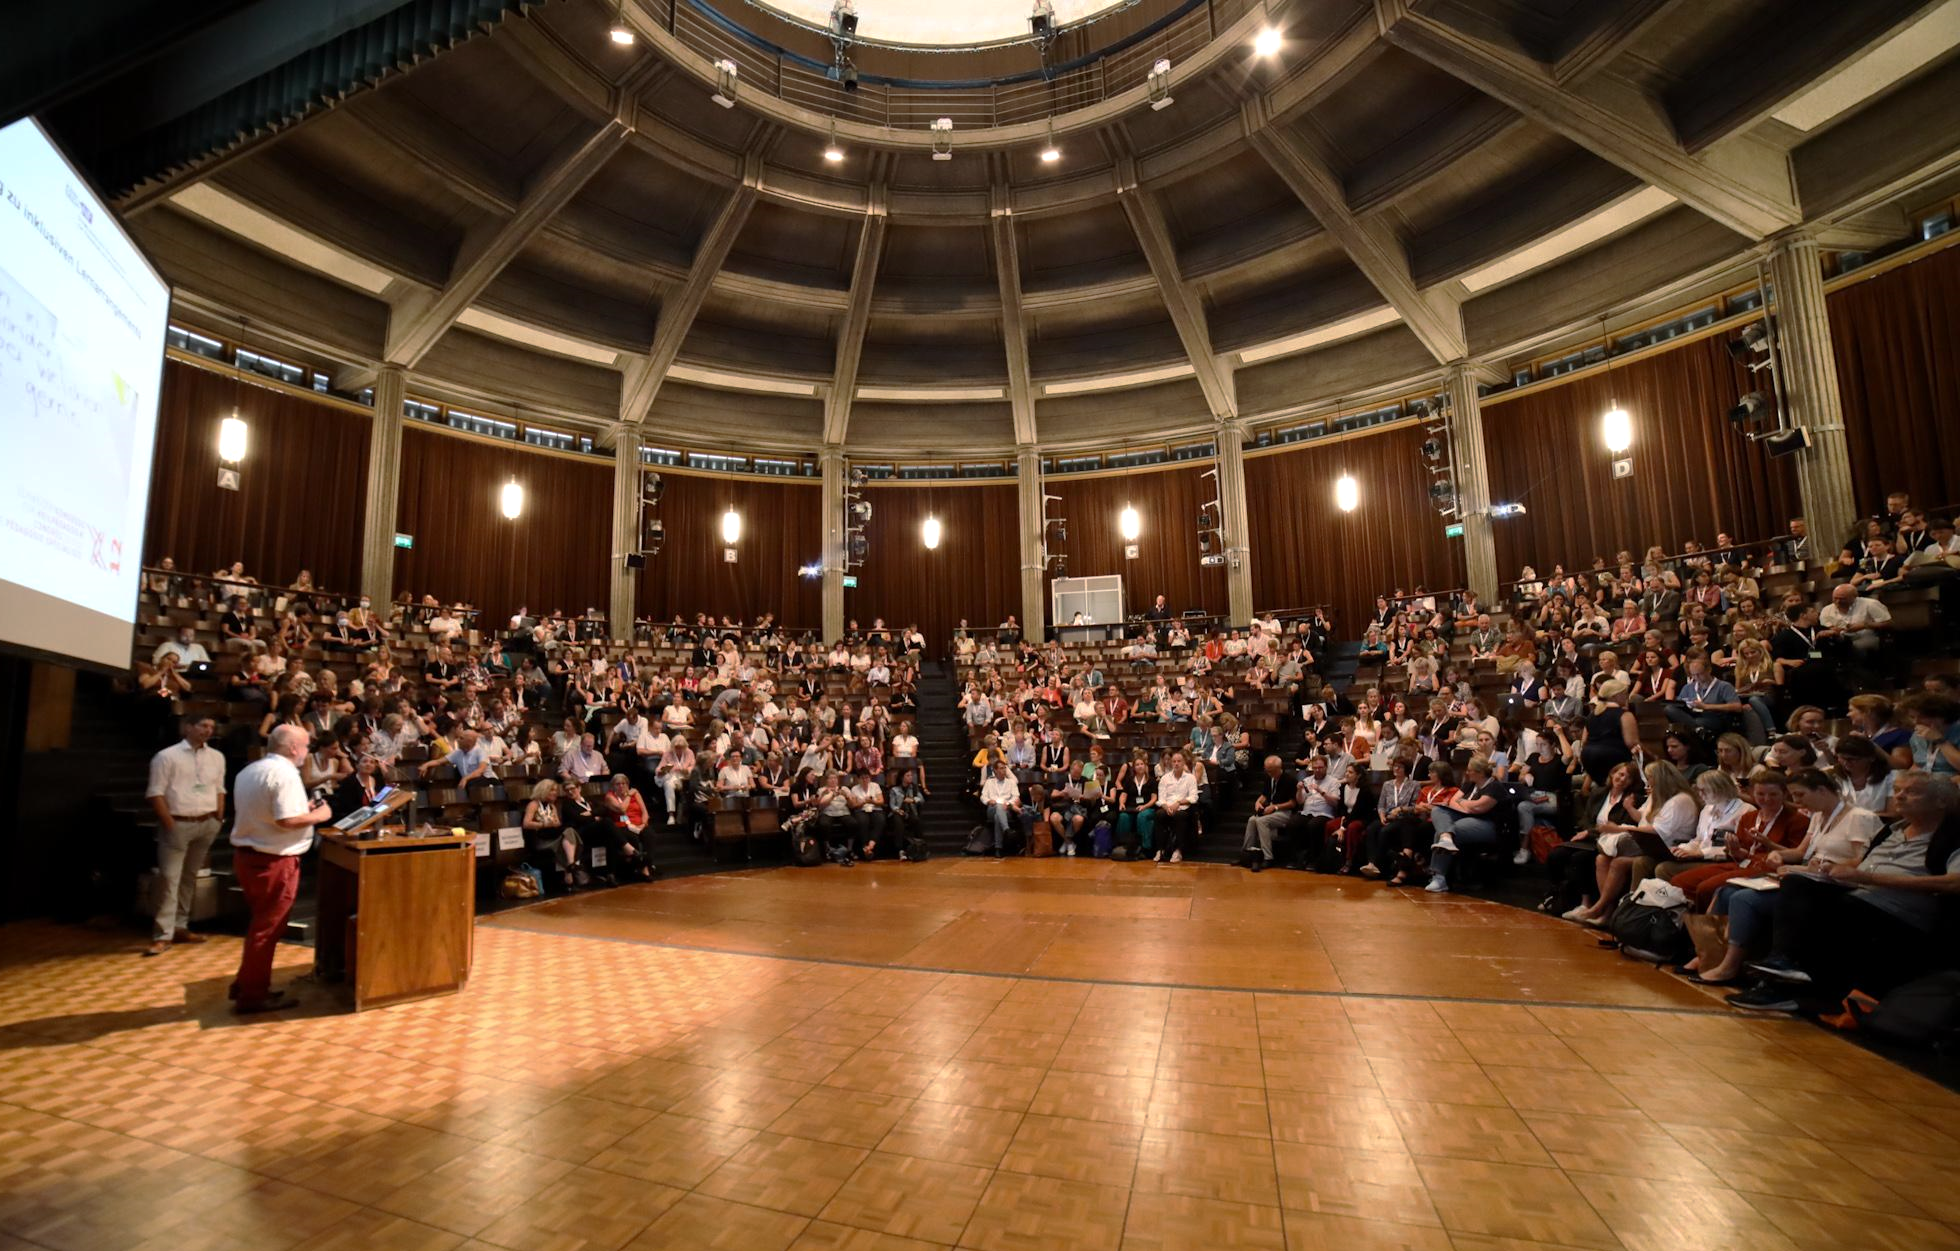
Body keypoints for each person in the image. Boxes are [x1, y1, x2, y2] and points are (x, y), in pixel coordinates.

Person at [228, 724, 333, 1013]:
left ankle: (246, 984)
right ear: (292, 748)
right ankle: (252, 995)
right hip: (273, 859)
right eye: (306, 746)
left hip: (250, 855)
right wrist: (320, 814)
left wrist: (304, 808)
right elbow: (286, 820)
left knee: (261, 924)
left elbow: (271, 810)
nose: (308, 752)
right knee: (268, 928)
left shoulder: (251, 769)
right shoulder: (285, 774)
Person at [142, 715, 226, 958]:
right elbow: (155, 793)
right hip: (178, 822)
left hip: (206, 822)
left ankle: (180, 926)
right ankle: (162, 934)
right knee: (169, 879)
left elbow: (219, 788)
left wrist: (218, 817)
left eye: (212, 726)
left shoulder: (216, 757)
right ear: (188, 727)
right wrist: (169, 822)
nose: (208, 730)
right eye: (203, 725)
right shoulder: (167, 756)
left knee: (190, 877)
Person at [1239, 755, 1298, 871]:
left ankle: (1268, 857)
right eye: (1267, 770)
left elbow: (1293, 803)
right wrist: (1258, 802)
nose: (1268, 773)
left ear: (1279, 768)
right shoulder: (1269, 778)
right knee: (1252, 820)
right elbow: (1264, 795)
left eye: (1271, 771)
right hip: (1271, 811)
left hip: (1285, 812)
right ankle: (1247, 854)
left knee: (1261, 821)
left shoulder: (1290, 780)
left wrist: (1275, 807)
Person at [1154, 752, 1199, 864]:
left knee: (1180, 816)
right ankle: (1160, 849)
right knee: (1159, 815)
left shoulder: (1190, 778)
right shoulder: (1165, 778)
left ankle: (1178, 850)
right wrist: (1166, 807)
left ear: (1183, 763)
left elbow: (1194, 797)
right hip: (1167, 807)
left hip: (1183, 808)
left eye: (1179, 761)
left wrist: (1179, 803)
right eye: (1174, 761)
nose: (1176, 763)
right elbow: (1161, 799)